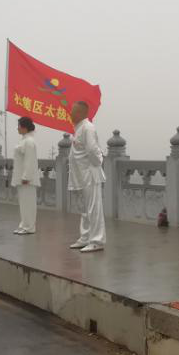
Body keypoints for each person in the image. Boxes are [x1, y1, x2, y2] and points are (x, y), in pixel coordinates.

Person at [67, 101, 105, 252]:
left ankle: (97, 241)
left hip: (90, 175)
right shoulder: (78, 129)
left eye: (73, 111)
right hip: (80, 175)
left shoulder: (88, 128)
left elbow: (92, 150)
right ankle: (85, 238)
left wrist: (98, 162)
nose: (70, 113)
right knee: (84, 208)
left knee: (93, 208)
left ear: (81, 113)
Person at [12, 116, 39, 234]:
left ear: (24, 127)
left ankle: (29, 227)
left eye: (19, 126)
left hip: (27, 179)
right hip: (21, 177)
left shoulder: (29, 142)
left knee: (28, 204)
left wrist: (26, 177)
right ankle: (24, 225)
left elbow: (30, 160)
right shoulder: (24, 140)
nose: (17, 128)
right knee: (23, 204)